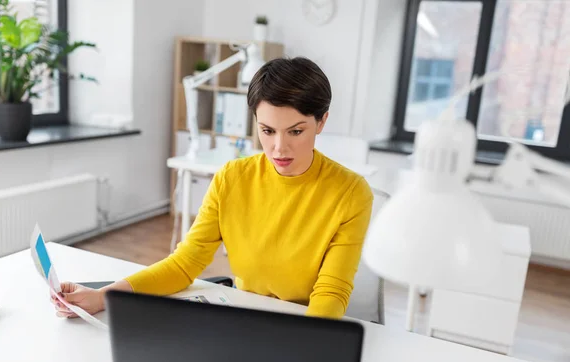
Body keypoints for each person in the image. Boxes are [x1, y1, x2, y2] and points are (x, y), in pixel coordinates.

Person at [53, 57, 374, 320]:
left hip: (304, 323)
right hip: (245, 316)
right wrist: (103, 297)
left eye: (296, 131)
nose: (279, 148)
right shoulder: (232, 178)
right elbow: (184, 263)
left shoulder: (351, 192)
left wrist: (307, 343)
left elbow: (331, 292)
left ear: (321, 122)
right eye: (267, 130)